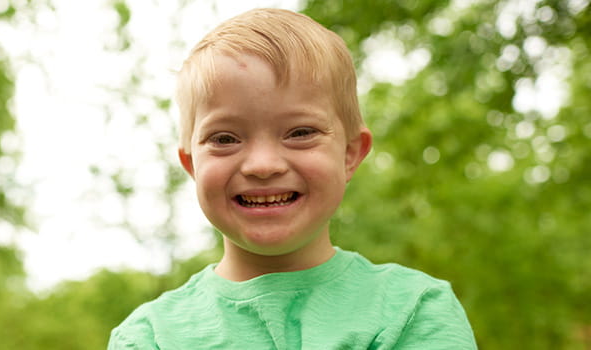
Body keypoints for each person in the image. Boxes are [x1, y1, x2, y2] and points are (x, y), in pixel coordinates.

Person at [109, 8, 476, 349]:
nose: (262, 165)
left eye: (300, 133)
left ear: (349, 154)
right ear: (191, 164)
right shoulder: (148, 336)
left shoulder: (413, 309)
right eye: (225, 139)